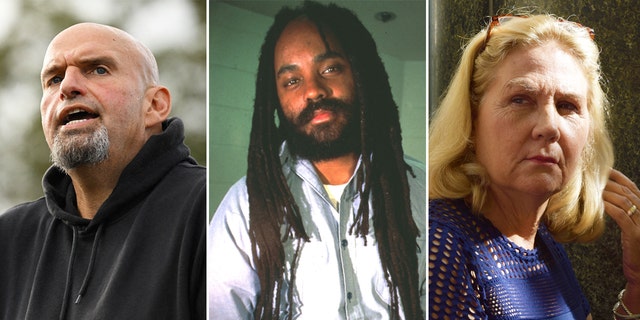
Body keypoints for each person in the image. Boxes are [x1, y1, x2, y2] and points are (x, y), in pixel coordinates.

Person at [208, 1, 425, 319]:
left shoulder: (421, 191)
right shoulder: (244, 206)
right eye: (292, 81)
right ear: (277, 99)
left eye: (330, 69)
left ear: (361, 74)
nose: (313, 90)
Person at [428, 13, 640, 319]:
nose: (549, 126)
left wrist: (637, 283)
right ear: (472, 120)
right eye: (521, 100)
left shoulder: (541, 241)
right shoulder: (445, 247)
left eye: (567, 105)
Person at [0, 23, 205, 319]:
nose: (68, 88)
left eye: (98, 69)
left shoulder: (205, 210)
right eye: (54, 79)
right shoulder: (12, 237)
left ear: (155, 105)